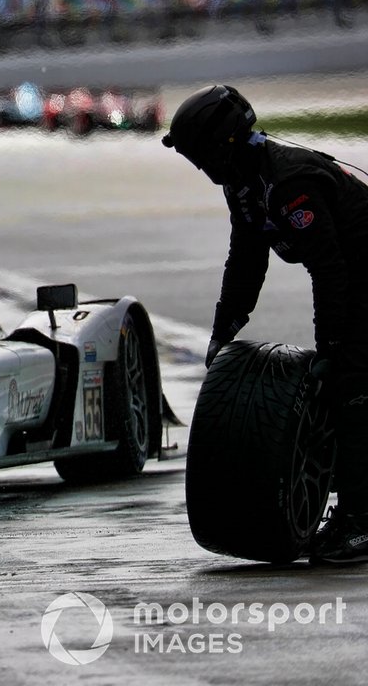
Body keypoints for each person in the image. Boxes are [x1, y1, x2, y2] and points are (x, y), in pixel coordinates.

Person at [162, 84, 368, 565]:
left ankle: (360, 524)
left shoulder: (288, 183)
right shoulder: (246, 181)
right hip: (351, 272)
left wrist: (330, 348)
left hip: (359, 271)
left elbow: (330, 268)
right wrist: (223, 331)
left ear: (225, 143)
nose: (200, 167)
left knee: (351, 384)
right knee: (343, 374)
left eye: (200, 155)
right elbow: (246, 260)